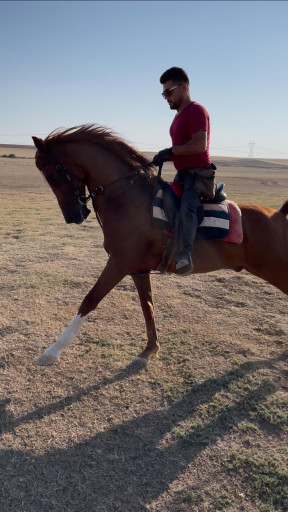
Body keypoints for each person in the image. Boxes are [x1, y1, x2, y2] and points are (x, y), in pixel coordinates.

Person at [153, 67, 216, 276]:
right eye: (163, 93)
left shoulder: (196, 111)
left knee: (186, 210)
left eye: (169, 92)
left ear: (184, 87)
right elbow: (182, 148)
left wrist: (170, 151)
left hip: (197, 176)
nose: (165, 98)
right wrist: (164, 156)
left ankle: (185, 255)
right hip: (183, 175)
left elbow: (199, 145)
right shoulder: (179, 116)